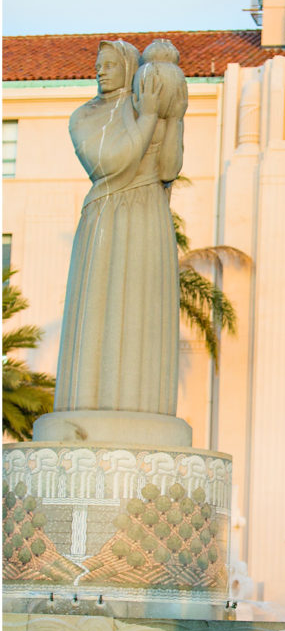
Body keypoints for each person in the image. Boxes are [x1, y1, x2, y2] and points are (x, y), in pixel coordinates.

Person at [55, 39, 186, 417]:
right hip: (108, 214)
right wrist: (148, 117)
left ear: (129, 70)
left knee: (146, 310)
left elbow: (168, 169)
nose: (101, 71)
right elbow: (112, 162)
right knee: (99, 310)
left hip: (149, 214)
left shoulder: (144, 108)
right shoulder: (85, 116)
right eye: (99, 64)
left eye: (110, 64)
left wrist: (172, 116)